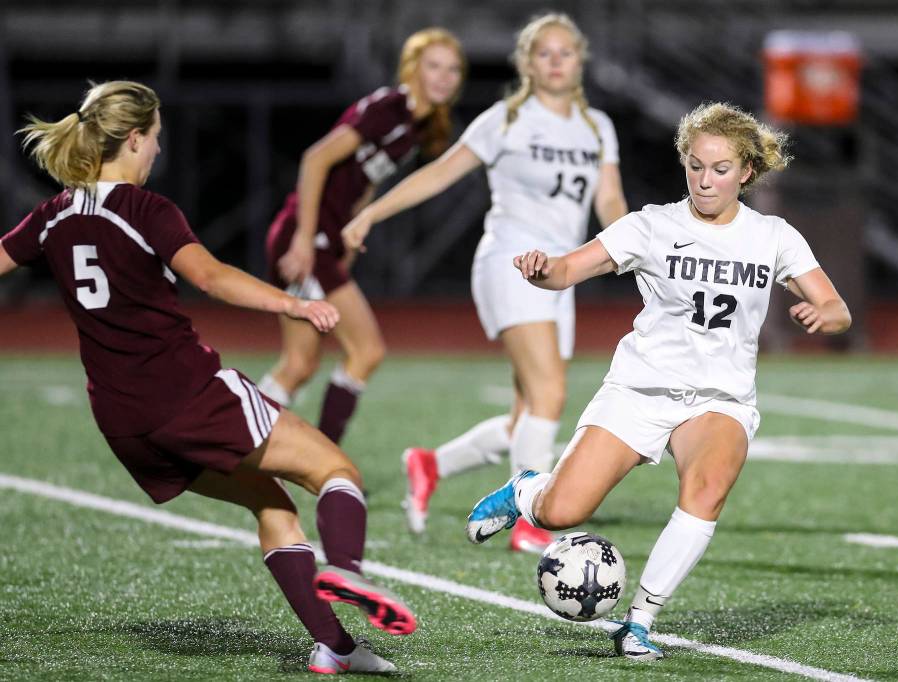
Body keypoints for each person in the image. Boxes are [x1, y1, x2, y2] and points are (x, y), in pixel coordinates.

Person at [0, 81, 417, 675]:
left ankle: (337, 649)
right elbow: (213, 277)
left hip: (124, 423)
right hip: (187, 394)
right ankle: (347, 571)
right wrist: (294, 304)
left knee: (271, 503)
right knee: (336, 472)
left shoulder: (51, 216)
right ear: (134, 138)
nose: (158, 150)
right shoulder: (144, 209)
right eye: (156, 138)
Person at [465, 101, 852, 660]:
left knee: (708, 488)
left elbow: (837, 308)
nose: (705, 180)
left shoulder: (773, 236)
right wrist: (542, 269)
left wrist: (824, 316)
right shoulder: (652, 225)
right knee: (560, 513)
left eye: (720, 169)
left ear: (746, 172)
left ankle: (640, 620)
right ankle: (525, 490)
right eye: (695, 166)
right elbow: (569, 268)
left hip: (719, 398)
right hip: (640, 390)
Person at [342, 13, 628, 553]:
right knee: (549, 394)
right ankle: (530, 522)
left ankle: (430, 465)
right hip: (511, 261)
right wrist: (372, 214)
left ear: (580, 61)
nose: (556, 62)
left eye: (566, 52)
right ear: (527, 63)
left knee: (528, 414)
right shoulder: (504, 120)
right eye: (544, 53)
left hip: (561, 273)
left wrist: (628, 248)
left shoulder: (597, 126)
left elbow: (609, 199)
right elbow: (439, 172)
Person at [257, 29, 465, 448]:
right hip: (306, 237)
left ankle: (239, 447)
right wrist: (304, 238)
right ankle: (320, 455)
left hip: (322, 240)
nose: (444, 77)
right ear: (413, 68)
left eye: (453, 69)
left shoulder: (418, 125)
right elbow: (315, 159)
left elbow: (365, 183)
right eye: (434, 66)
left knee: (299, 364)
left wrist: (350, 235)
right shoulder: (389, 108)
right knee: (366, 351)